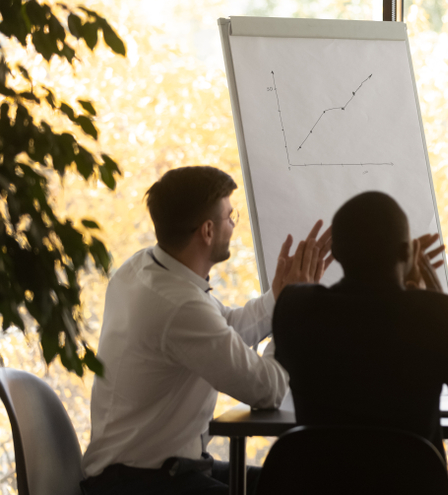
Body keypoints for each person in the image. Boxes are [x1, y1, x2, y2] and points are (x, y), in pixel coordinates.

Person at [81, 166, 332, 495]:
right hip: (138, 483)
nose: (233, 224)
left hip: (154, 469)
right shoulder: (180, 306)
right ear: (208, 231)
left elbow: (225, 332)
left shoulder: (144, 268)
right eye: (231, 216)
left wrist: (280, 299)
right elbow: (267, 389)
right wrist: (292, 316)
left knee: (295, 483)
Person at [272, 191, 448, 460]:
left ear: (336, 253)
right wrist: (435, 301)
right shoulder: (431, 316)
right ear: (407, 251)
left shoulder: (295, 309)